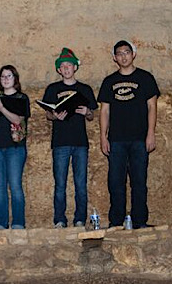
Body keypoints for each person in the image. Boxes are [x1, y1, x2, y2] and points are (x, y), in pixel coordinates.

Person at [98, 40, 159, 228]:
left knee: (139, 181)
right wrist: (103, 136)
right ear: (114, 58)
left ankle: (140, 221)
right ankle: (116, 221)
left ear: (133, 54)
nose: (123, 56)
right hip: (116, 139)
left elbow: (152, 107)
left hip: (139, 139)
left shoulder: (146, 78)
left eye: (126, 52)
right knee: (115, 182)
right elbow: (104, 111)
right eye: (119, 53)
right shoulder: (109, 82)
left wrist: (151, 133)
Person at [41, 47, 97, 227]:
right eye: (62, 66)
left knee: (81, 184)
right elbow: (48, 115)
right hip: (60, 142)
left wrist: (87, 112)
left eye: (69, 65)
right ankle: (59, 219)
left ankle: (80, 218)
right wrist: (54, 116)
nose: (66, 69)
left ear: (75, 67)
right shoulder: (53, 89)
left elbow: (91, 116)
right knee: (60, 184)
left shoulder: (85, 89)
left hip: (80, 142)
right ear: (58, 69)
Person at [0, 64, 30, 229]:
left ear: (15, 79)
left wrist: (2, 108)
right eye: (3, 76)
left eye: (9, 76)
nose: (5, 79)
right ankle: (1, 222)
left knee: (15, 185)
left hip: (15, 147)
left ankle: (18, 222)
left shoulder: (22, 99)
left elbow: (17, 120)